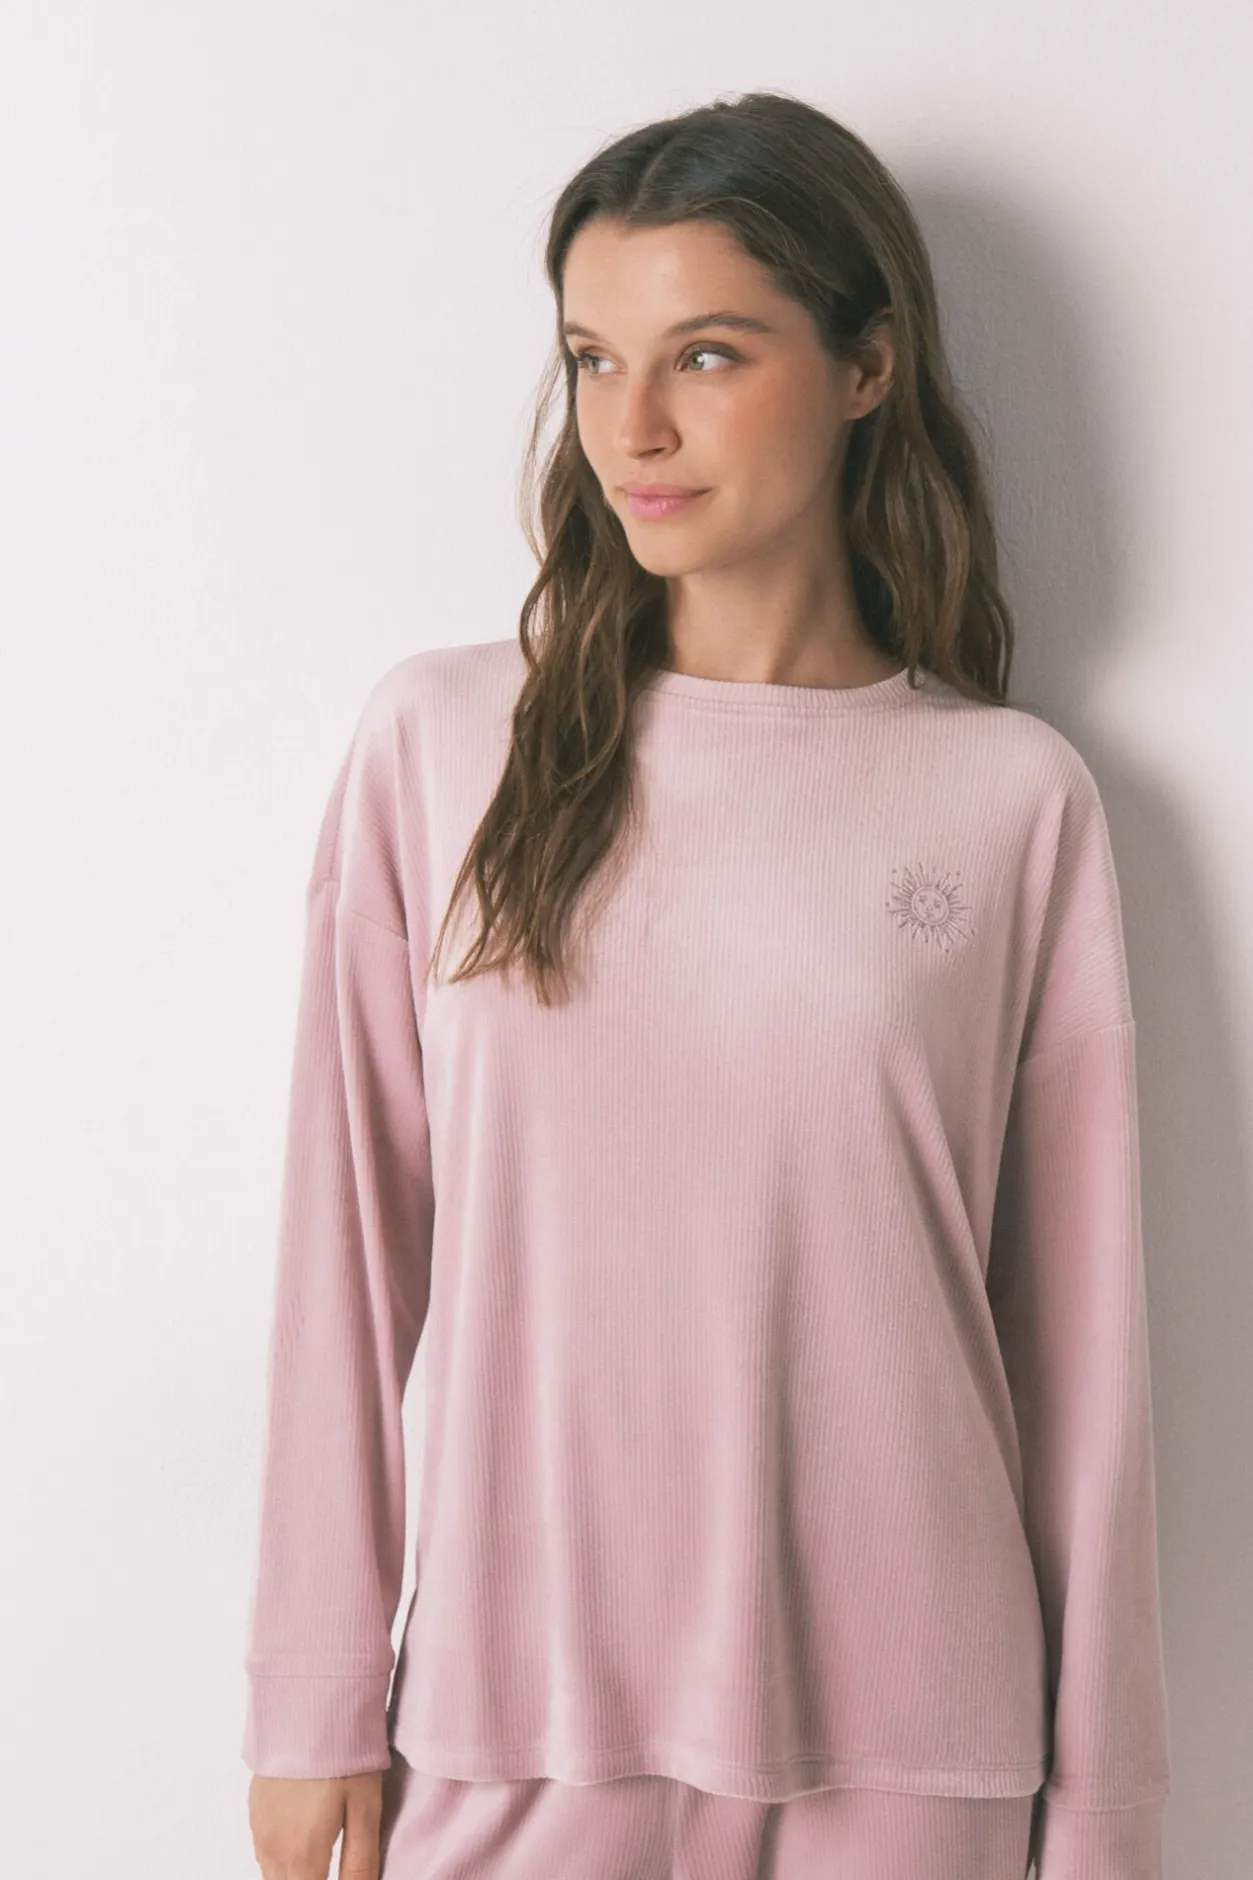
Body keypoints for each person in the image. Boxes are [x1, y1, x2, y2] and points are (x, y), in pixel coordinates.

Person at [241, 90, 1172, 1880]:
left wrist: (1108, 1810)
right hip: (514, 1723)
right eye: (594, 359)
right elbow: (345, 1264)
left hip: (916, 1741)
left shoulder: (1009, 800)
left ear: (867, 366)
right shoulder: (443, 746)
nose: (632, 428)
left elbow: (1084, 1367)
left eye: (709, 355)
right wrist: (311, 1695)